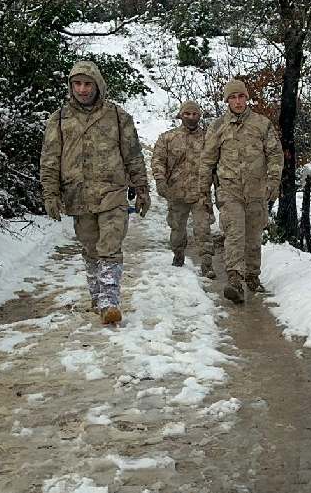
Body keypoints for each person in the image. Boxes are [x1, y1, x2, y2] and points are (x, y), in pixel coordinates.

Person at [39, 60, 149, 325]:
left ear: (98, 85)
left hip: (112, 194)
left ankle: (110, 302)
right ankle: (98, 298)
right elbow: (50, 159)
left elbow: (133, 155)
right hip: (78, 196)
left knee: (110, 247)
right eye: (77, 83)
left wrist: (142, 188)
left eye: (87, 84)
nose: (82, 89)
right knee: (90, 249)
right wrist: (50, 194)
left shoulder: (118, 116)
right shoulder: (60, 119)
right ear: (71, 86)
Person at [199, 79, 283, 304]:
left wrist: (273, 181)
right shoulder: (217, 127)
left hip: (256, 190)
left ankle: (252, 277)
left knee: (253, 236)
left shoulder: (261, 124)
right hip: (229, 190)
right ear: (226, 101)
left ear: (247, 98)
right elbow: (207, 161)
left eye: (241, 97)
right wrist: (203, 192)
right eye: (233, 97)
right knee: (235, 233)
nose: (237, 101)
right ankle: (235, 280)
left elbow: (275, 154)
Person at [152, 100, 218, 276]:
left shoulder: (208, 139)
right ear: (181, 115)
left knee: (203, 229)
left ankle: (207, 264)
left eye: (194, 114)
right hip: (176, 192)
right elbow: (158, 160)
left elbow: (217, 163)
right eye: (187, 114)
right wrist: (160, 180)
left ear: (199, 116)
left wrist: (218, 185)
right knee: (177, 229)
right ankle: (178, 255)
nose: (190, 117)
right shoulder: (167, 138)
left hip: (200, 191)